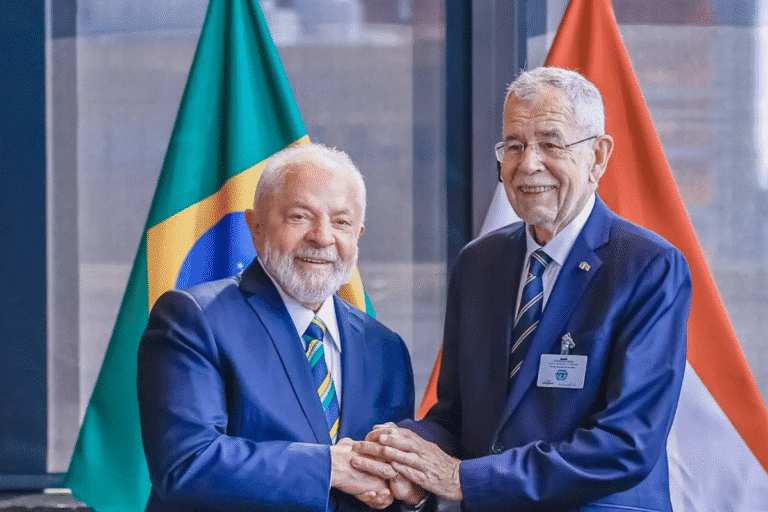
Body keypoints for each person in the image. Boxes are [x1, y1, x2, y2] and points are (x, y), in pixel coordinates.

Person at [352, 67, 692, 511]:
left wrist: (463, 478)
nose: (528, 164)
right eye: (514, 145)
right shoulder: (478, 263)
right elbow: (456, 417)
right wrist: (400, 452)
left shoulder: (648, 267)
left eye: (551, 143)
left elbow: (626, 444)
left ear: (598, 156)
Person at [137, 143, 419, 511]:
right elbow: (186, 463)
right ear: (254, 227)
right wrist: (328, 467)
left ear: (358, 236)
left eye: (341, 221)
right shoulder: (191, 318)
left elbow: (386, 486)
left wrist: (410, 496)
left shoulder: (386, 349)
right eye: (300, 217)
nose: (322, 236)